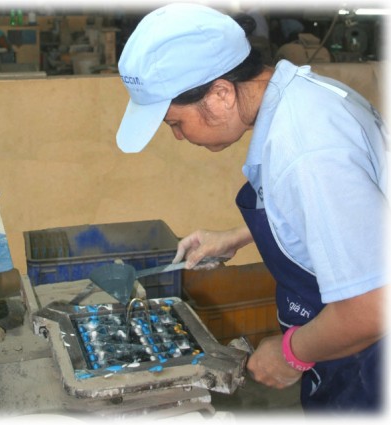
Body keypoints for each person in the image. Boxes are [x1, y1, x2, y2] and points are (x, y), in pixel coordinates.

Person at [116, 3, 389, 413]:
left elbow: (372, 308)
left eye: (175, 123)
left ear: (221, 94)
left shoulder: (306, 150)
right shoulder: (299, 98)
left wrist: (291, 353)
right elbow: (342, 216)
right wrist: (238, 236)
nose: (177, 136)